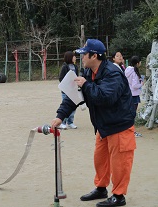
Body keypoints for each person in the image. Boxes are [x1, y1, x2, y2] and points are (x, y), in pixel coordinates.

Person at [51, 39, 136, 207]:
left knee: (120, 163)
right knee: (100, 159)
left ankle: (119, 196)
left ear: (94, 56)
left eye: (84, 54)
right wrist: (60, 116)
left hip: (119, 126)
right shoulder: (89, 73)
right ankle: (101, 188)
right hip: (103, 126)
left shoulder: (113, 73)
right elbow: (74, 97)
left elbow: (106, 98)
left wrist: (87, 85)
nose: (81, 57)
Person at [58, 51, 79, 129]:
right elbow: (61, 78)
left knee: (73, 107)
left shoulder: (75, 66)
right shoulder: (65, 67)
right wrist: (67, 84)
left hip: (73, 90)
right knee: (66, 106)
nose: (75, 58)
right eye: (73, 56)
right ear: (70, 57)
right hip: (66, 90)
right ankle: (62, 122)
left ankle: (70, 122)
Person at [125, 56, 144, 138]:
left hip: (128, 93)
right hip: (134, 95)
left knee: (128, 113)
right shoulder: (134, 72)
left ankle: (128, 129)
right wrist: (141, 84)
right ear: (137, 63)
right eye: (140, 62)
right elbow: (135, 85)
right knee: (132, 114)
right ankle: (132, 131)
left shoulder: (127, 70)